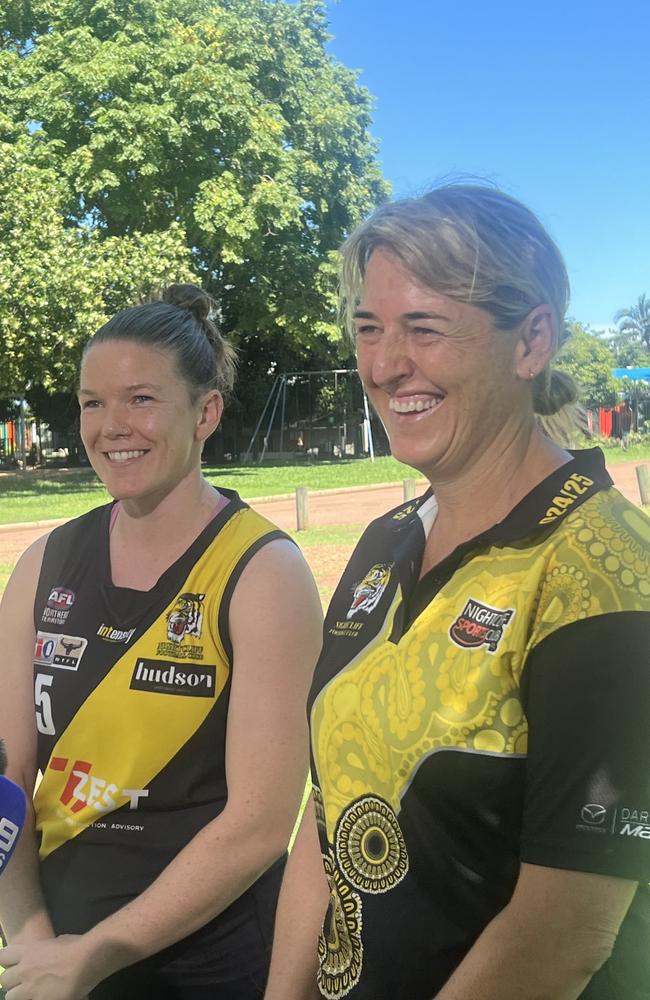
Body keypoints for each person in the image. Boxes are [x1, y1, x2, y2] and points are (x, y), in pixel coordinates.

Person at [264, 185, 650, 1000]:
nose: (384, 363)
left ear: (531, 341)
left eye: (425, 328)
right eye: (369, 328)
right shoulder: (384, 542)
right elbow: (330, 807)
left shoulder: (607, 578)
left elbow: (562, 936)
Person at [0, 284, 323, 999]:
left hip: (207, 967)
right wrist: (33, 944)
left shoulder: (264, 573)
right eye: (92, 402)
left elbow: (261, 824)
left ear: (205, 411)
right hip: (57, 952)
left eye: (140, 399)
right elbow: (8, 780)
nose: (112, 426)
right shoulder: (42, 565)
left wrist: (96, 954)